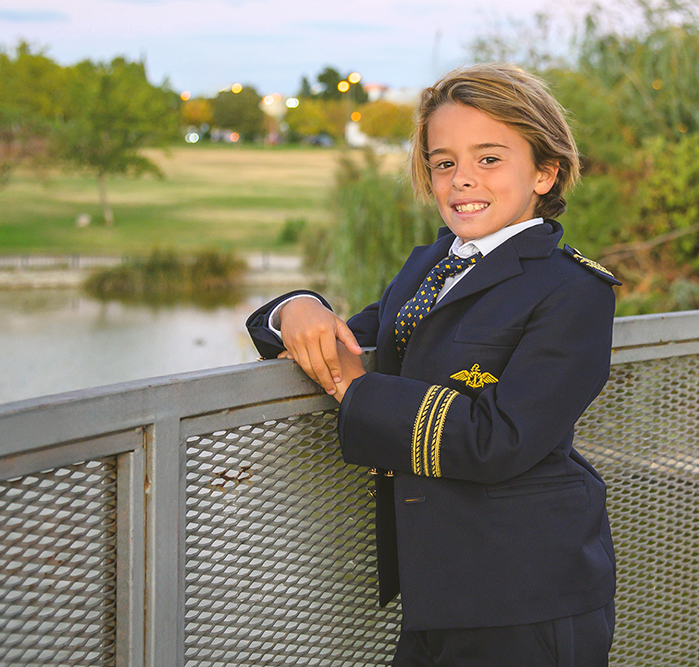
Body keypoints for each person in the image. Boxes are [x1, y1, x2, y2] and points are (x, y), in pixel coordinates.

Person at [246, 63, 619, 666]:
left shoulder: (572, 290)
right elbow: (353, 339)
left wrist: (354, 385)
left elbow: (497, 439)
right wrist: (296, 308)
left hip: (527, 595)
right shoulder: (430, 267)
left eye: (489, 159)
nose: (461, 180)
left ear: (546, 173)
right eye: (444, 163)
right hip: (438, 589)